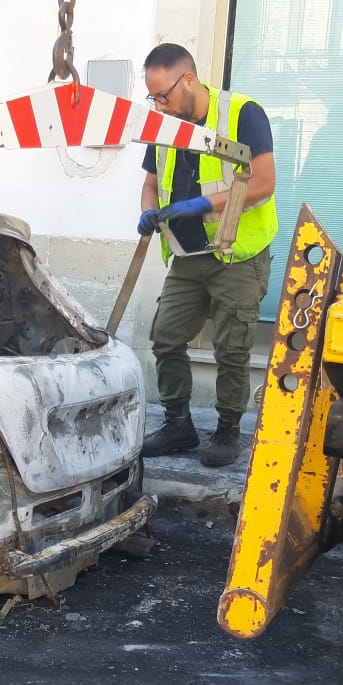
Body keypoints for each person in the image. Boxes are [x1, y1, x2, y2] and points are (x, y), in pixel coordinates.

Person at [137, 43, 278, 467]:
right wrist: (147, 209)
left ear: (189, 80)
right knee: (166, 336)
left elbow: (263, 183)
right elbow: (150, 181)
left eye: (164, 95)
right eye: (153, 97)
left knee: (232, 349)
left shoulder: (243, 113)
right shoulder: (165, 124)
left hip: (236, 254)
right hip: (187, 254)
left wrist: (202, 204)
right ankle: (179, 425)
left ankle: (228, 431)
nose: (158, 105)